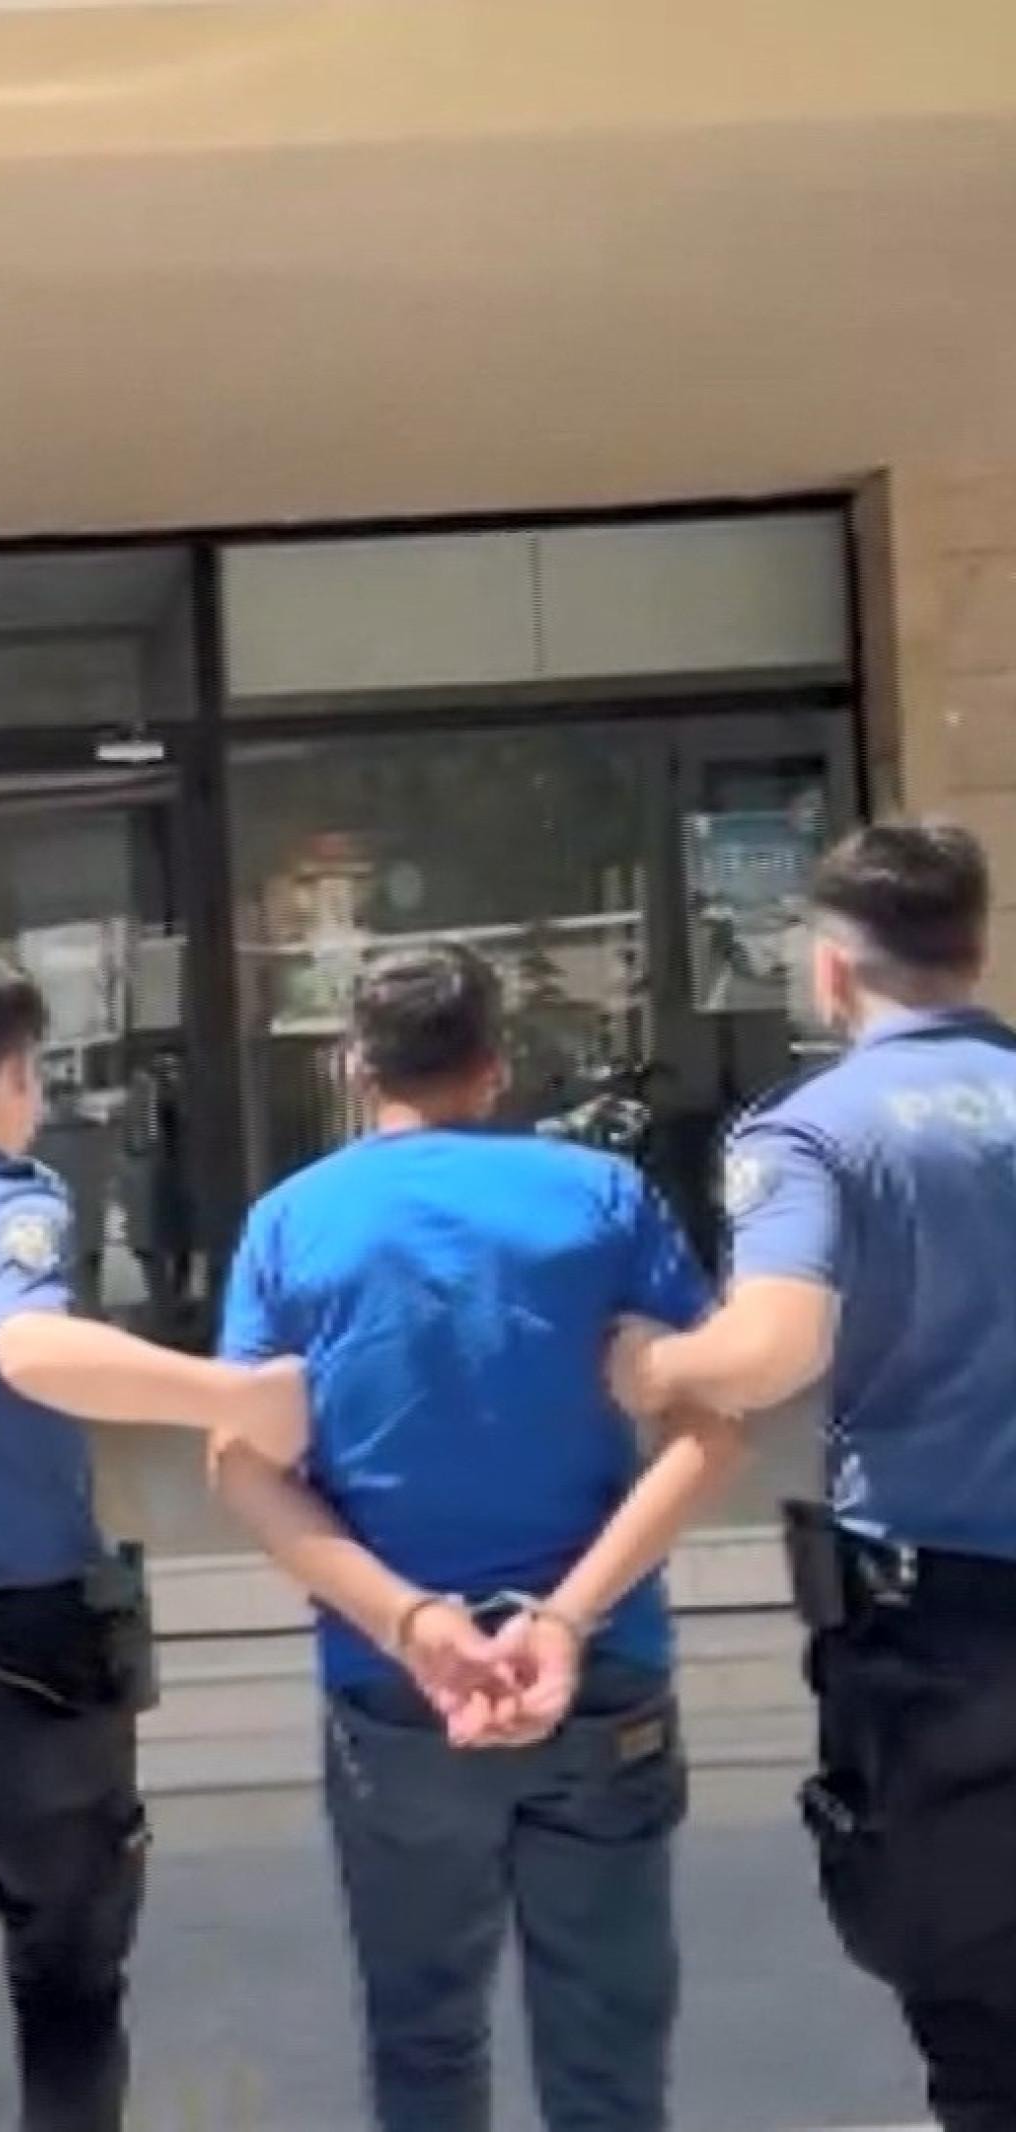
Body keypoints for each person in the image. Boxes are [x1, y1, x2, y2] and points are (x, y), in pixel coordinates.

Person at [214, 942, 736, 2132]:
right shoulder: (601, 1195)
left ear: (357, 1067)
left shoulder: (290, 1220)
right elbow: (714, 1434)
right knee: (608, 2060)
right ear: (495, 1065)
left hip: (396, 1685)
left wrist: (409, 1619)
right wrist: (567, 1615)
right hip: (597, 1670)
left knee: (424, 2045)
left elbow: (242, 1467)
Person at [0, 952, 305, 2132]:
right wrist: (234, 1393)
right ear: (17, 1072)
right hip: (20, 1656)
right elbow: (31, 1347)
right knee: (69, 1988)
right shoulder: (13, 1205)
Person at [608, 819, 1016, 2132]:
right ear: (975, 949)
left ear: (832, 969)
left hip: (944, 1628)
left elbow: (770, 1350)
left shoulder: (817, 1129)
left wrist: (657, 1365)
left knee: (980, 2014)